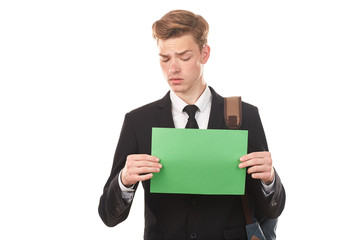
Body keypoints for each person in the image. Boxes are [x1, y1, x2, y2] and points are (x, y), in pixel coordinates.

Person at [98, 9, 285, 240]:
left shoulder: (246, 116)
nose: (172, 68)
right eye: (164, 58)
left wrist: (269, 179)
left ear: (204, 54)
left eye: (184, 57)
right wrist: (124, 180)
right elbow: (108, 216)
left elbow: (273, 209)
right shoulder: (139, 121)